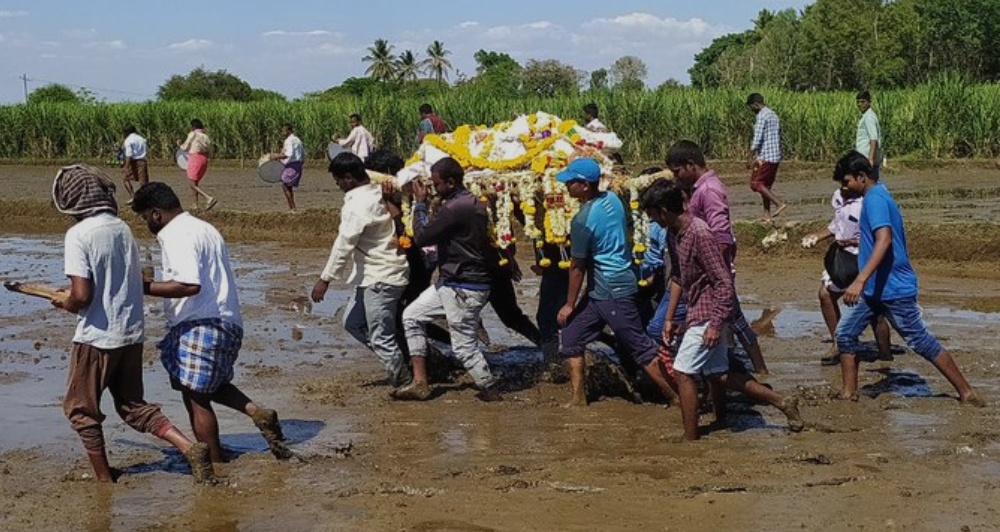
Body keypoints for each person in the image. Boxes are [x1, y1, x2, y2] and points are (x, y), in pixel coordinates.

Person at [49, 165, 214, 483]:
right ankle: (189, 447)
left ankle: (104, 478)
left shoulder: (78, 235)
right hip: (130, 334)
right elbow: (119, 281)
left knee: (81, 410)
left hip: (97, 337)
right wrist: (73, 295)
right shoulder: (121, 228)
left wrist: (66, 301)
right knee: (132, 405)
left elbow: (82, 296)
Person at [131, 182, 293, 463]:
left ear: (156, 213)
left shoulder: (175, 233)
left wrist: (140, 288)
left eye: (145, 217)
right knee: (206, 384)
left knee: (195, 396)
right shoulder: (203, 228)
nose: (147, 224)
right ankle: (256, 412)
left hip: (199, 323)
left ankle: (215, 462)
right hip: (226, 320)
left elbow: (188, 284)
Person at [640, 179, 803, 441]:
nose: (653, 221)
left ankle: (690, 437)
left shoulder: (700, 234)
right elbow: (679, 277)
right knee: (718, 375)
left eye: (653, 215)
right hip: (697, 309)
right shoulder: (674, 233)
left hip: (709, 312)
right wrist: (669, 318)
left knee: (683, 372)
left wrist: (716, 324)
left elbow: (723, 282)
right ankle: (781, 402)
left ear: (664, 210)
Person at [833, 152, 984, 406]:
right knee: (846, 334)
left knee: (920, 341)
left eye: (846, 181)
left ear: (861, 177)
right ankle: (849, 394)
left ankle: (966, 392)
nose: (843, 187)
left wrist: (860, 280)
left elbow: (884, 240)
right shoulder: (877, 195)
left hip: (892, 288)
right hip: (875, 290)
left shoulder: (875, 200)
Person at [556, 159, 678, 408]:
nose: (566, 186)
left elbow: (577, 267)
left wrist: (569, 304)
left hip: (612, 289)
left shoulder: (582, 221)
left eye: (571, 182)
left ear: (584, 186)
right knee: (572, 336)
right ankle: (578, 398)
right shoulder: (613, 200)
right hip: (604, 289)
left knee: (640, 347)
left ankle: (677, 396)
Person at [395, 157, 501, 402]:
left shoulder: (455, 209)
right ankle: (420, 383)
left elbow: (422, 237)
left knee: (464, 348)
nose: (434, 188)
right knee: (411, 317)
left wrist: (420, 204)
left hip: (462, 285)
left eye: (437, 184)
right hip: (453, 282)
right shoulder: (469, 202)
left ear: (451, 183)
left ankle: (491, 391)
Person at [666, 140, 769, 375]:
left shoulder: (709, 190)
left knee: (733, 320)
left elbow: (722, 238)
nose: (676, 177)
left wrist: (714, 273)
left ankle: (757, 372)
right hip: (713, 269)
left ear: (690, 164)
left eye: (677, 171)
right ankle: (754, 370)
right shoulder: (700, 189)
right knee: (735, 321)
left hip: (714, 271)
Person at [311, 152, 411, 388]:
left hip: (382, 276)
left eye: (338, 181)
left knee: (380, 336)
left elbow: (344, 244)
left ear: (348, 178)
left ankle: (404, 380)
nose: (337, 185)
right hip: (372, 275)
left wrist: (325, 279)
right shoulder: (376, 192)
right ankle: (404, 361)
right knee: (353, 323)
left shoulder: (357, 205)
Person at [802, 184, 891, 365]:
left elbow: (881, 237)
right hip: (844, 257)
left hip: (865, 258)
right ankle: (838, 343)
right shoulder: (840, 198)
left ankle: (885, 355)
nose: (843, 185)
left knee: (874, 310)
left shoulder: (870, 202)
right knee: (825, 294)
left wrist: (853, 241)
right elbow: (837, 225)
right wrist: (817, 236)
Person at [746, 93, 787, 219]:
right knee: (766, 185)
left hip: (766, 156)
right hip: (775, 156)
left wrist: (750, 157)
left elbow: (757, 139)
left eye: (751, 107)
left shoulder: (762, 116)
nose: (751, 110)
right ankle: (766, 214)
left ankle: (778, 203)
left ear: (755, 104)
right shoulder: (773, 115)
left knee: (756, 183)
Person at [178, 119, 217, 211]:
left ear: (193, 127)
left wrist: (179, 145)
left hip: (195, 158)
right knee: (195, 183)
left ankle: (208, 198)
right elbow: (210, 149)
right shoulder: (205, 136)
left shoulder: (192, 134)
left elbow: (185, 147)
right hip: (204, 159)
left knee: (192, 184)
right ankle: (195, 204)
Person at [270, 123, 304, 213]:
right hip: (297, 164)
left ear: (289, 131)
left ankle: (292, 208)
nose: (282, 133)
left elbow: (288, 154)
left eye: (284, 131)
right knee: (287, 185)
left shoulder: (289, 141)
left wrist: (275, 157)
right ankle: (292, 208)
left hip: (292, 165)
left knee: (285, 185)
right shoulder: (297, 139)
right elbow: (301, 154)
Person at [855, 91, 884, 180]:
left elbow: (873, 138)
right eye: (858, 102)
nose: (860, 104)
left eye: (863, 102)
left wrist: (870, 159)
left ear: (869, 102)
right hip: (864, 159)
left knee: (869, 185)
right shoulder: (867, 116)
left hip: (867, 159)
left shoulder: (869, 117)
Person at [121, 125, 149, 204]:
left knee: (125, 179)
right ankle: (145, 199)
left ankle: (133, 197)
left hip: (133, 161)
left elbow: (129, 155)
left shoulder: (128, 140)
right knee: (143, 182)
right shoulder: (142, 139)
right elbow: (147, 150)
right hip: (142, 161)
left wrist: (126, 166)